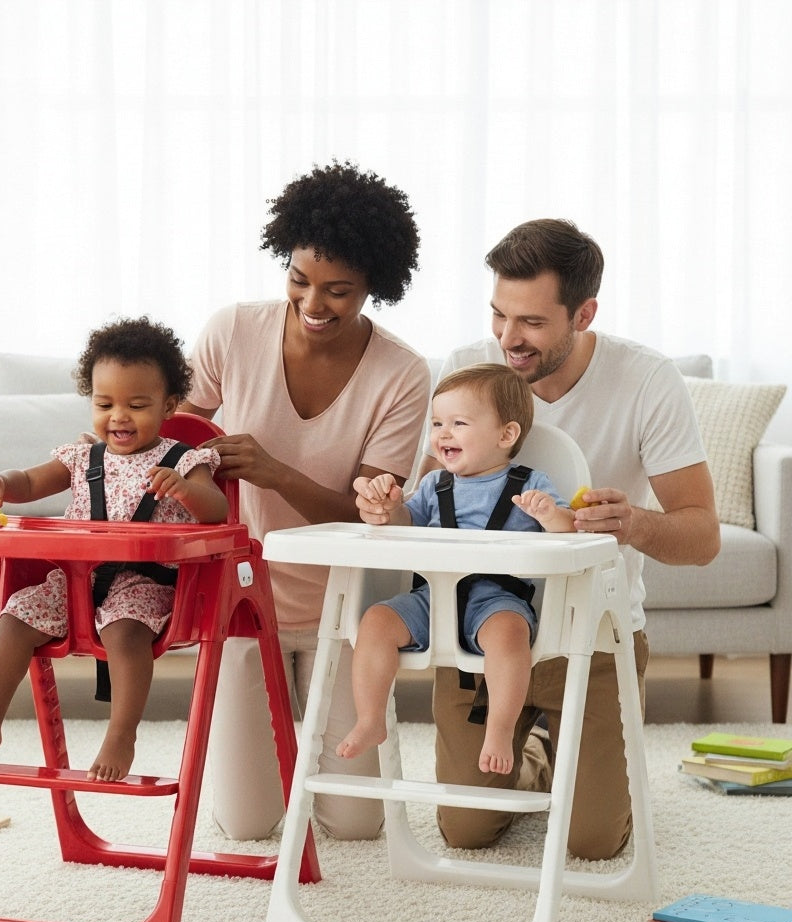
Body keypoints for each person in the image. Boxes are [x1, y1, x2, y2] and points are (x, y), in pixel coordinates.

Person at [417, 218, 720, 859]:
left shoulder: (645, 378)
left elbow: (703, 538)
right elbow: (428, 499)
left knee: (593, 842)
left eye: (531, 322)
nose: (507, 339)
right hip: (480, 632)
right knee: (467, 830)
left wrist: (633, 523)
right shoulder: (468, 368)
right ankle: (535, 749)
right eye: (499, 315)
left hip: (594, 636)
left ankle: (569, 747)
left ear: (583, 314)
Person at [180, 160, 432, 841]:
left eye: (338, 291)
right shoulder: (234, 332)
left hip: (343, 610)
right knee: (247, 825)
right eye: (299, 280)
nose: (313, 303)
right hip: (240, 602)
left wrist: (274, 472)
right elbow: (170, 438)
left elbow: (366, 517)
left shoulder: (402, 374)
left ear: (375, 285)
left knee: (354, 826)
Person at [0, 317, 228, 781]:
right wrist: (1, 483)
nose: (119, 416)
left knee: (125, 633)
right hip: (75, 580)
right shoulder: (82, 457)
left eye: (137, 405)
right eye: (104, 403)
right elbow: (30, 481)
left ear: (169, 405)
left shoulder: (184, 460)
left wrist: (184, 490)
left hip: (144, 583)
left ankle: (121, 733)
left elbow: (217, 510)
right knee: (12, 618)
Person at [338, 363, 576, 774]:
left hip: (497, 600)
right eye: (437, 423)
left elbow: (569, 531)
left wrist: (550, 514)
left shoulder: (530, 483)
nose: (443, 434)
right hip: (431, 597)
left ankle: (499, 729)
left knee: (510, 635)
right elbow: (404, 524)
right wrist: (388, 508)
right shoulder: (434, 485)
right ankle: (370, 718)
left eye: (458, 423)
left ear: (506, 435)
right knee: (375, 620)